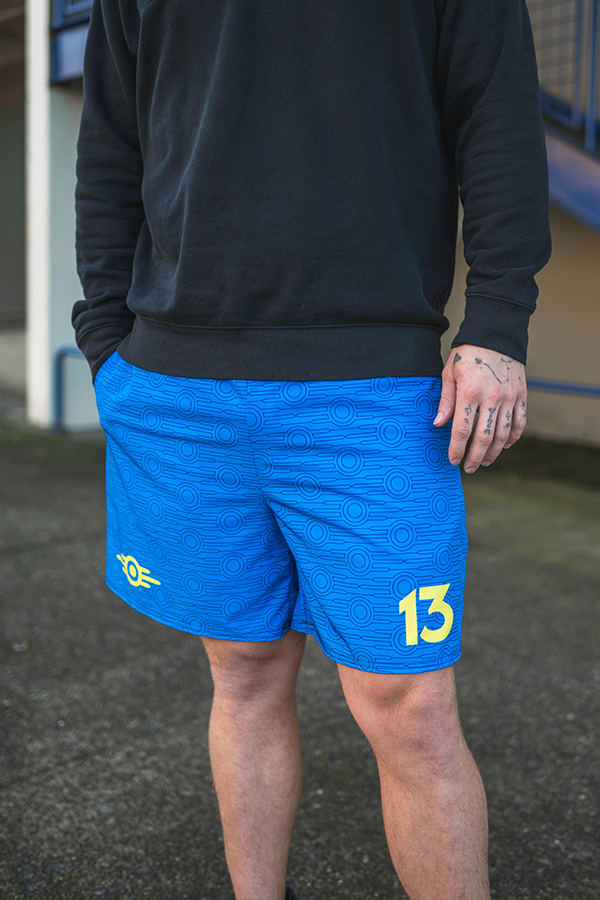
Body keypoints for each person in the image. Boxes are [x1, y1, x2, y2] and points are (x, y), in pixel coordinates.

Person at [73, 0, 551, 897]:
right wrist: (105, 338)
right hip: (177, 385)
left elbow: (496, 113)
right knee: (244, 673)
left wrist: (497, 321)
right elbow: (112, 139)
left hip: (371, 389)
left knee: (410, 707)